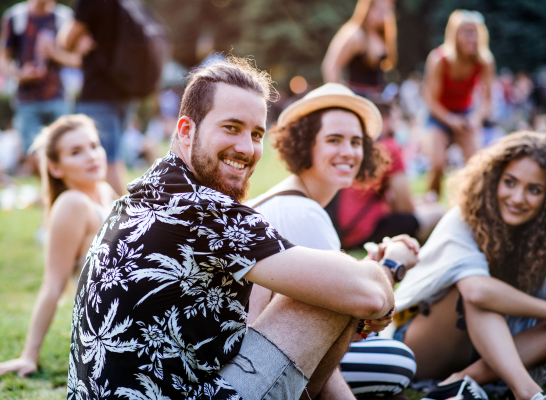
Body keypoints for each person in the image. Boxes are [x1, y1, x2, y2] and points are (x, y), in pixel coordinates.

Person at [66, 57, 407, 400]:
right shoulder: (204, 209)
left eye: (256, 134)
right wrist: (387, 268)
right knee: (332, 292)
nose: (246, 148)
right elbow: (368, 294)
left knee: (324, 282)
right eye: (231, 128)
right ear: (186, 131)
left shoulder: (143, 195)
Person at [247, 83, 418, 398]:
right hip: (262, 361)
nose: (348, 152)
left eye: (356, 142)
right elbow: (326, 321)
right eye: (334, 140)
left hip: (264, 350)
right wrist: (391, 268)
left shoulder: (294, 201)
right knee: (397, 360)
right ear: (305, 145)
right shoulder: (303, 212)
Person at [393, 131, 546, 400]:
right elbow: (477, 291)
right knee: (475, 294)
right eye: (510, 182)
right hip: (422, 344)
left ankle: (465, 380)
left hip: (496, 351)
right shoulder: (464, 219)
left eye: (534, 190)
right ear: (493, 178)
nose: (518, 197)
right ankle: (529, 393)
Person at [0, 114, 116, 378]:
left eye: (94, 146)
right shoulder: (72, 204)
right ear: (56, 168)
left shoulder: (104, 192)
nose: (91, 156)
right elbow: (53, 284)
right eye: (76, 152)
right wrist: (29, 355)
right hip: (110, 326)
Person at [326, 102, 444, 249]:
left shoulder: (357, 147)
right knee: (438, 213)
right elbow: (405, 207)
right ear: (385, 120)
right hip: (365, 232)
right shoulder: (389, 147)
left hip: (339, 232)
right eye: (396, 120)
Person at [57, 0, 136, 194]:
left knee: (107, 162)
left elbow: (65, 40)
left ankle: (124, 220)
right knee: (115, 158)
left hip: (99, 92)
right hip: (124, 89)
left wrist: (79, 35)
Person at [0, 0, 79, 167]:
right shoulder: (15, 17)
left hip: (58, 97)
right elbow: (2, 60)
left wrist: (54, 54)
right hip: (26, 99)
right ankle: (47, 190)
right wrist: (20, 74)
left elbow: (78, 60)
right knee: (33, 156)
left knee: (64, 150)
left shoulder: (64, 18)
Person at [423, 10, 495, 197]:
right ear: (455, 35)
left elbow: (487, 101)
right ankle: (432, 202)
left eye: (475, 32)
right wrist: (450, 119)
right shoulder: (439, 60)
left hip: (466, 114)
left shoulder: (484, 61)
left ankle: (472, 202)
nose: (472, 38)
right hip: (440, 116)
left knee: (477, 163)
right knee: (438, 163)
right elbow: (430, 100)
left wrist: (476, 118)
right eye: (466, 32)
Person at [322, 0, 397, 98]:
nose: (384, 16)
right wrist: (339, 97)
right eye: (380, 10)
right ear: (368, 9)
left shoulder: (381, 35)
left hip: (377, 97)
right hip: (358, 97)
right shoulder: (356, 35)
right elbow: (330, 67)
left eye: (388, 11)